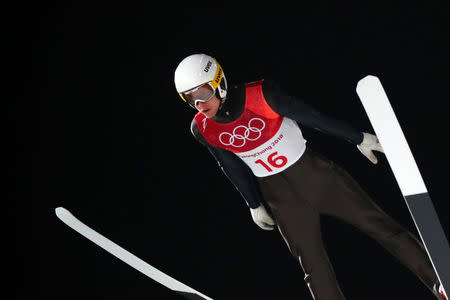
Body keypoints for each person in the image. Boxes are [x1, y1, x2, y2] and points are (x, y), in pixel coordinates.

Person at [174, 53, 447, 300]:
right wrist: (254, 204)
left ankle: (438, 282)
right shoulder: (202, 128)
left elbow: (312, 117)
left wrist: (357, 138)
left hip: (318, 178)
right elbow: (229, 165)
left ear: (218, 81)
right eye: (189, 98)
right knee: (313, 267)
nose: (199, 103)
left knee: (379, 225)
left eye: (202, 92)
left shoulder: (261, 95)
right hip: (280, 198)